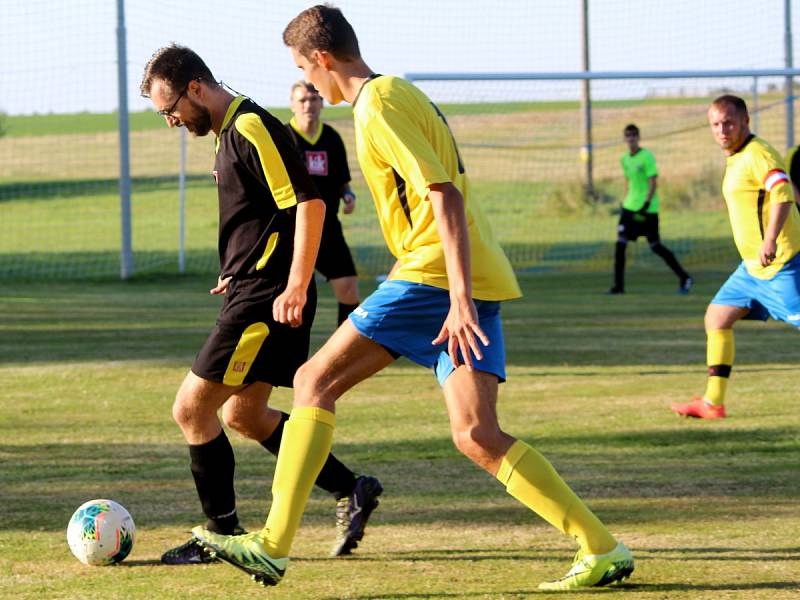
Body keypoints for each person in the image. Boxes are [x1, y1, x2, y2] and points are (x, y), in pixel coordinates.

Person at [192, 5, 634, 591]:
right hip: (462, 274)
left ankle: (272, 544)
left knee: (311, 382)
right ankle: (602, 547)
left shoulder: (377, 104)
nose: (308, 82)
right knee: (476, 434)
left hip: (436, 277)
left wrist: (456, 297)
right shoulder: (400, 93)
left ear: (322, 59)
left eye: (304, 67)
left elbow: (443, 195)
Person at [138, 44, 382, 563]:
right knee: (245, 416)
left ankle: (218, 534)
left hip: (267, 300)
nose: (171, 121)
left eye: (170, 109)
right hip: (253, 288)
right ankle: (351, 487)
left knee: (191, 408)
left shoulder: (249, 126)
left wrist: (292, 283)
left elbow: (309, 204)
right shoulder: (230, 132)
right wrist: (238, 267)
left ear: (196, 88)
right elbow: (264, 215)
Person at [671, 95, 800, 419]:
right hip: (750, 271)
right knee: (716, 318)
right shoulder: (736, 156)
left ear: (745, 121)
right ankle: (713, 403)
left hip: (781, 265)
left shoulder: (758, 153)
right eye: (715, 124)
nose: (722, 129)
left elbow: (783, 193)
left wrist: (770, 239)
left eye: (728, 122)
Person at [286, 81, 360, 327]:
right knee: (290, 295)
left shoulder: (332, 138)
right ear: (292, 105)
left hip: (327, 228)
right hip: (291, 230)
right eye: (303, 100)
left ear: (322, 103)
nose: (309, 105)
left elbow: (342, 182)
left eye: (314, 99)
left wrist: (348, 196)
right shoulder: (283, 138)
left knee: (349, 287)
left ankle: (346, 352)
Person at [609, 124, 693, 295]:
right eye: (628, 136)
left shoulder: (647, 157)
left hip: (647, 210)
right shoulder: (624, 159)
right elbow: (628, 181)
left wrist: (646, 204)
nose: (631, 139)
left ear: (638, 137)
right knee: (620, 246)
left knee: (655, 246)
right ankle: (618, 287)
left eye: (634, 135)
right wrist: (625, 201)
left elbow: (653, 181)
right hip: (629, 209)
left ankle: (685, 277)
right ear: (624, 139)